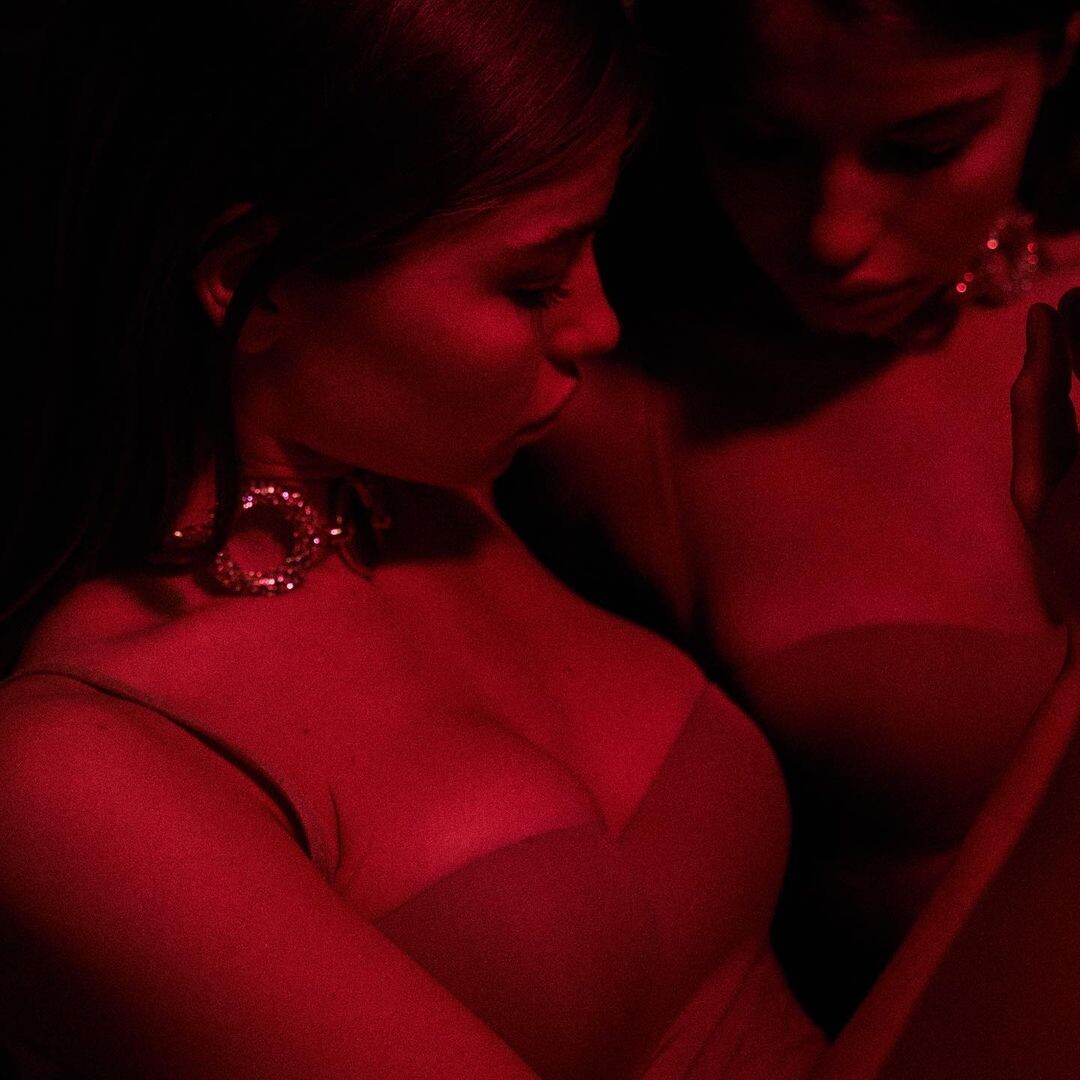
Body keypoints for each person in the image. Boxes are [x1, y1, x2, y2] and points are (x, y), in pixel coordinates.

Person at [5, 1, 1080, 1077]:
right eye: (533, 283)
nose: (599, 326)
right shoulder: (67, 775)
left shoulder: (440, 503)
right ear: (253, 280)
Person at [499, 0, 1080, 1031]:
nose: (832, 233)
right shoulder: (606, 405)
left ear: (1061, 46)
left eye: (925, 148)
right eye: (761, 144)